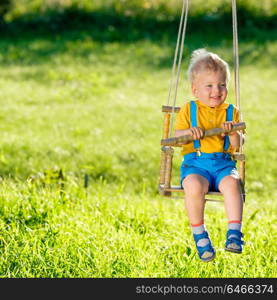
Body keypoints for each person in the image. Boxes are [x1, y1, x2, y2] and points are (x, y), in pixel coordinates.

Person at [174, 48, 245, 262]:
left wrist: (233, 132)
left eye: (222, 84)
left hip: (223, 164)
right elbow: (177, 137)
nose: (217, 90)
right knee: (194, 186)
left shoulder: (231, 112)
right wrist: (188, 133)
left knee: (233, 184)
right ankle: (200, 234)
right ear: (195, 90)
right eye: (209, 86)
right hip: (196, 164)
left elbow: (238, 145)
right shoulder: (189, 109)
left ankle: (234, 233)